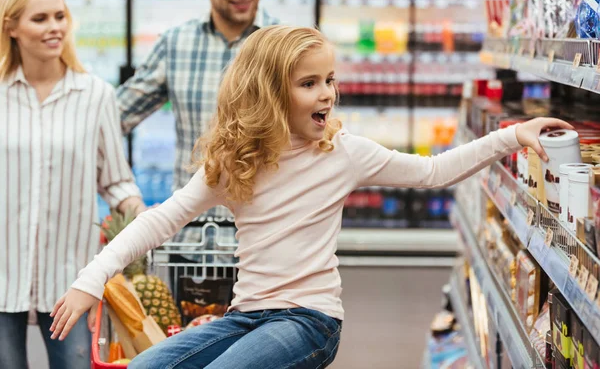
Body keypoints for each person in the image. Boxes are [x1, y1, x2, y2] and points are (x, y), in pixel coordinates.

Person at [50, 25, 570, 368]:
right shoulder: (236, 164)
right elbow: (159, 221)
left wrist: (510, 135)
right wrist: (90, 282)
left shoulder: (342, 153)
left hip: (309, 320)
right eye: (309, 83)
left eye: (329, 80)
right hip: (245, 315)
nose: (327, 93)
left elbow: (433, 171)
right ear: (269, 94)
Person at [0, 0, 145, 368]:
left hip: (71, 278)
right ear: (11, 27)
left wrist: (141, 216)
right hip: (2, 271)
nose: (54, 28)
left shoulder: (96, 95)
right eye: (40, 18)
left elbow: (115, 178)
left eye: (60, 16)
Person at [117, 0, 279, 272]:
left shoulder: (285, 45)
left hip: (268, 241)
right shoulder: (176, 44)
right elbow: (113, 120)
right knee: (190, 322)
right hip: (191, 242)